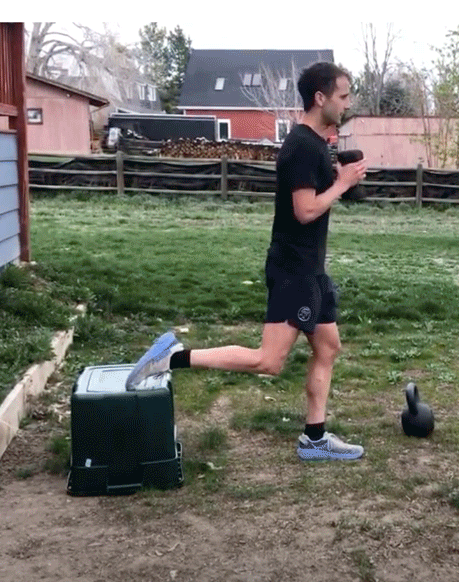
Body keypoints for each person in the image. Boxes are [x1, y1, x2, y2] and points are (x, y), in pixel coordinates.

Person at [125, 62, 369, 461]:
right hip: (293, 270)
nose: (347, 104)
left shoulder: (315, 143)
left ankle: (315, 438)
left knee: (328, 347)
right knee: (268, 361)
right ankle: (170, 358)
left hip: (311, 269)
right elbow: (305, 211)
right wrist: (341, 184)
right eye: (342, 96)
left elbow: (318, 199)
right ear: (320, 98)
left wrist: (344, 182)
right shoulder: (302, 146)